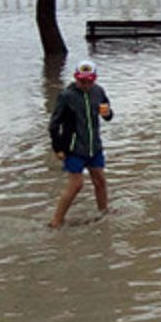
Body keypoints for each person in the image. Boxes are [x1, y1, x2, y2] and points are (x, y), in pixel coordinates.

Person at [48, 60, 114, 228]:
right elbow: (54, 124)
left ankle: (103, 211)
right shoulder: (67, 96)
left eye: (88, 81)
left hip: (94, 147)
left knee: (100, 180)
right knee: (76, 185)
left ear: (94, 79)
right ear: (76, 78)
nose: (85, 84)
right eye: (81, 81)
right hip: (73, 148)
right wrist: (58, 148)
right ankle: (56, 220)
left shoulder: (98, 92)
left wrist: (106, 112)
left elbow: (106, 112)